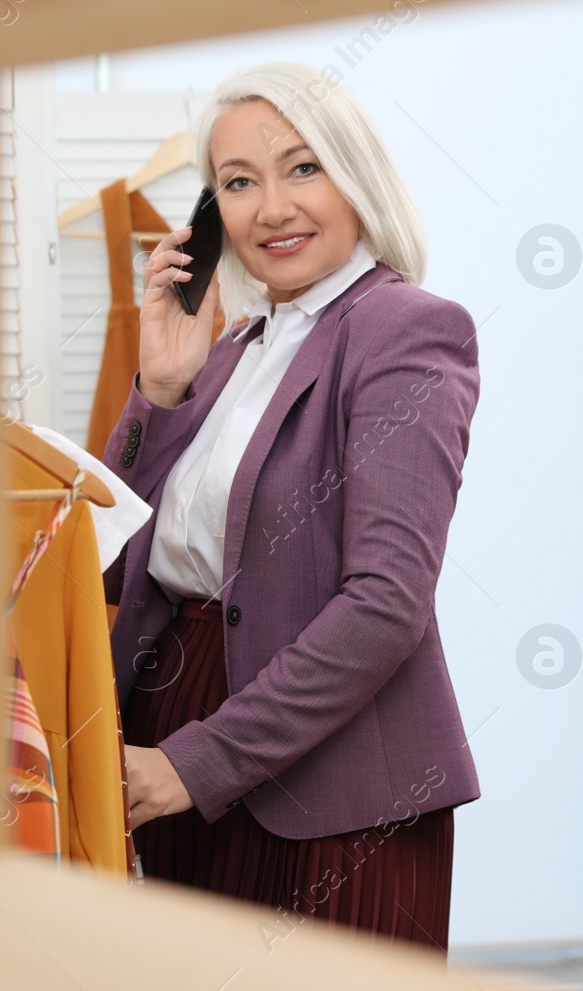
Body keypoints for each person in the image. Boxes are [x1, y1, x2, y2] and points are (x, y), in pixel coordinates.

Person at [101, 61, 482, 950]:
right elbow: (121, 563)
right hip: (177, 729)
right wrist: (158, 389)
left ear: (357, 174)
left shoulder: (405, 329)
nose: (271, 207)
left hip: (327, 789)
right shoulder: (230, 352)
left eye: (302, 167)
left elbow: (385, 602)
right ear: (212, 216)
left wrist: (192, 764)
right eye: (238, 183)